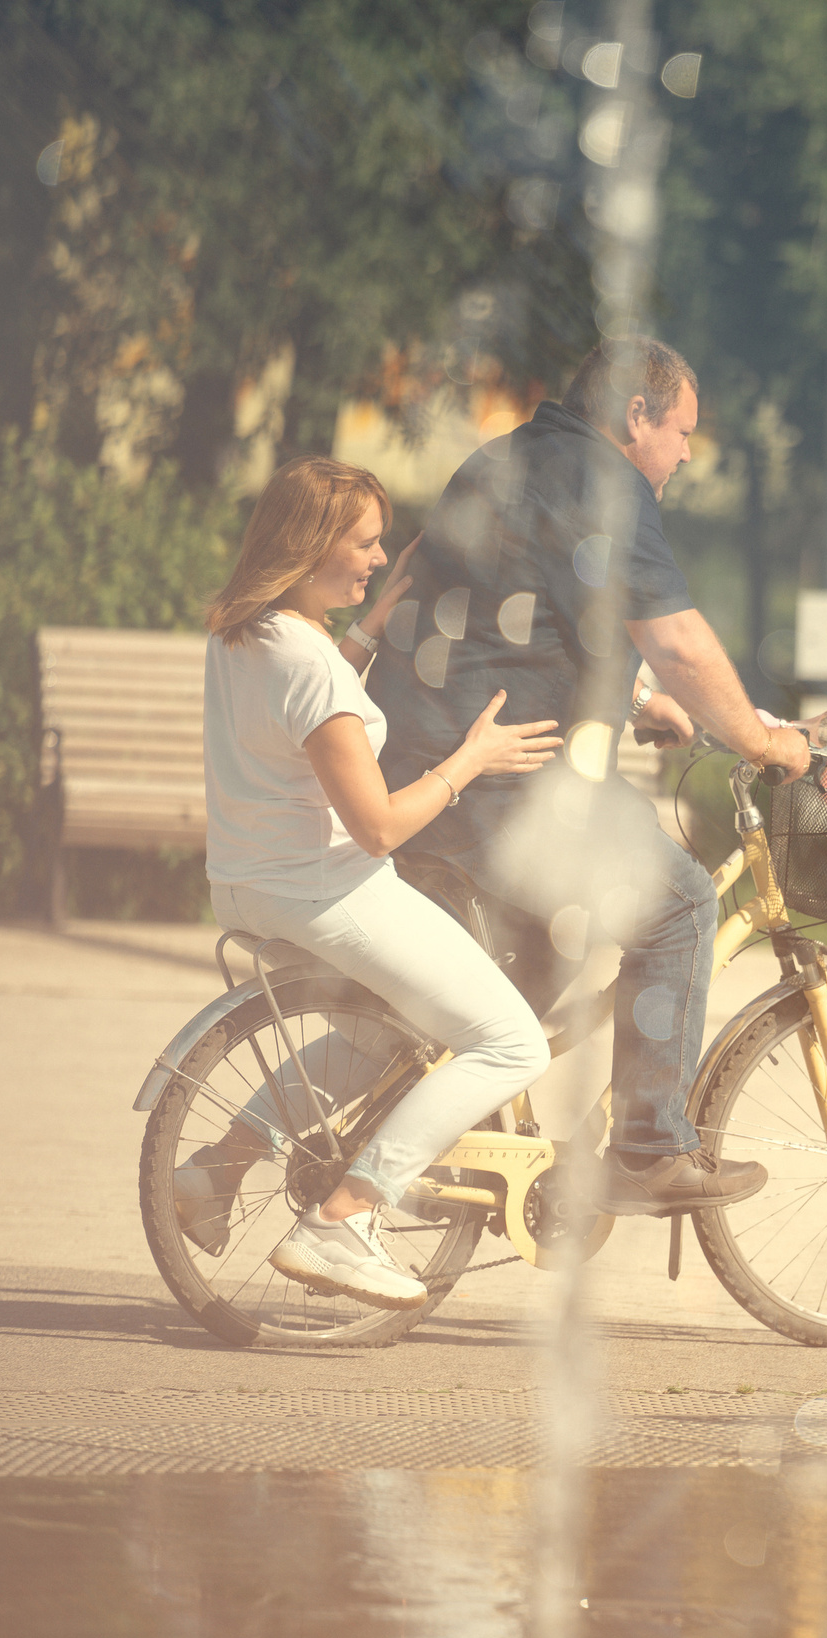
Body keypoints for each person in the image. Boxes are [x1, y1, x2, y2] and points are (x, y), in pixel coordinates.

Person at [368, 337, 811, 1218]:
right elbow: (676, 639)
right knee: (680, 902)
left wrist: (640, 699)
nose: (688, 452)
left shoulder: (508, 458)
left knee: (547, 946)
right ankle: (649, 1150)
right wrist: (766, 744)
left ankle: (417, 1114)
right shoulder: (606, 484)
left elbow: (530, 617)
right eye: (682, 430)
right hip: (496, 781)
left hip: (414, 761)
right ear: (635, 415)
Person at [186, 456, 562, 1310]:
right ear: (310, 546)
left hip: (249, 882)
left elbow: (300, 714)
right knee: (511, 1042)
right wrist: (472, 760)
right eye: (363, 543)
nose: (379, 557)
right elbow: (380, 828)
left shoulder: (244, 633)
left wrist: (367, 627)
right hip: (327, 890)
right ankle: (344, 1218)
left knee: (377, 1039)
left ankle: (217, 1171)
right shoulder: (309, 664)